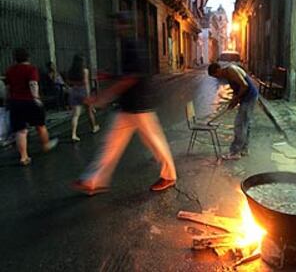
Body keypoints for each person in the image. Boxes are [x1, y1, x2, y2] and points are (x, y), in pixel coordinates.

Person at [71, 11, 176, 195]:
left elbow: (130, 78)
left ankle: (169, 175)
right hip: (128, 105)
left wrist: (102, 98)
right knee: (111, 144)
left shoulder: (132, 46)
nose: (114, 28)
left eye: (117, 24)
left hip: (139, 105)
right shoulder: (128, 46)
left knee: (154, 142)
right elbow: (127, 75)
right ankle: (93, 180)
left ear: (125, 25)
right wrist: (109, 76)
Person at [5, 48, 58, 165]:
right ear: (28, 57)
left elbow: (8, 88)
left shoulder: (10, 71)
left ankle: (24, 157)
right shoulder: (31, 69)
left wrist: (8, 99)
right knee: (40, 125)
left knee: (21, 131)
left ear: (15, 58)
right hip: (30, 101)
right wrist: (36, 98)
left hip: (15, 102)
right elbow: (33, 83)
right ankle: (45, 145)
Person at [207, 62, 258, 160]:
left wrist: (236, 99)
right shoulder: (227, 75)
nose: (217, 78)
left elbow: (244, 85)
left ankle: (235, 152)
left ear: (218, 70)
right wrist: (233, 101)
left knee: (240, 124)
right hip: (248, 97)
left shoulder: (231, 70)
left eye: (215, 75)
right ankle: (244, 149)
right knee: (245, 124)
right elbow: (237, 89)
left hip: (249, 97)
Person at [67, 54, 100, 142]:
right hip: (83, 91)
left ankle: (73, 134)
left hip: (74, 91)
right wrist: (88, 95)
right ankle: (94, 127)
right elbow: (86, 83)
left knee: (75, 115)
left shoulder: (71, 71)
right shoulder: (85, 71)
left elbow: (68, 81)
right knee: (89, 112)